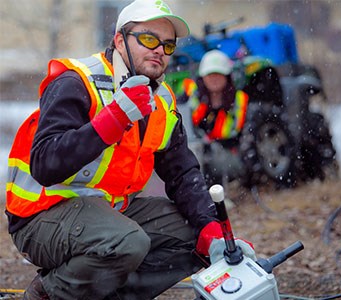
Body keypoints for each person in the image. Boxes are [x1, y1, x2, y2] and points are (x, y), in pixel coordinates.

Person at [5, 1, 256, 299]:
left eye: (168, 44)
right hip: (41, 218)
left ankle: (106, 294)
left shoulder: (161, 101)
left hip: (108, 213)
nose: (159, 50)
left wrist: (212, 231)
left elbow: (182, 172)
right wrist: (113, 120)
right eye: (149, 39)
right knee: (128, 242)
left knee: (193, 236)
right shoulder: (77, 81)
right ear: (120, 40)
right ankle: (48, 293)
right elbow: (46, 165)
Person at [179, 50, 249, 188]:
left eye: (218, 74)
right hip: (197, 149)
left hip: (227, 152)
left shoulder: (239, 100)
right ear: (202, 77)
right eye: (210, 74)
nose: (214, 78)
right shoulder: (192, 96)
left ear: (227, 76)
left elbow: (241, 134)